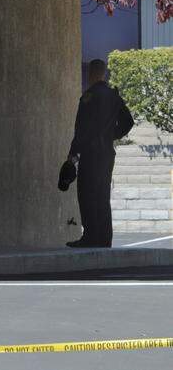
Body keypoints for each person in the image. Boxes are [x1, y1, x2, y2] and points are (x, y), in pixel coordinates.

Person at [66, 59, 134, 248]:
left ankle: (90, 237)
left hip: (90, 153)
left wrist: (72, 155)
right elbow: (128, 121)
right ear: (103, 73)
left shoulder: (89, 96)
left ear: (91, 74)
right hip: (106, 154)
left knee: (87, 194)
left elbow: (81, 129)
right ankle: (105, 239)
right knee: (103, 196)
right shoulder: (114, 96)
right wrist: (112, 135)